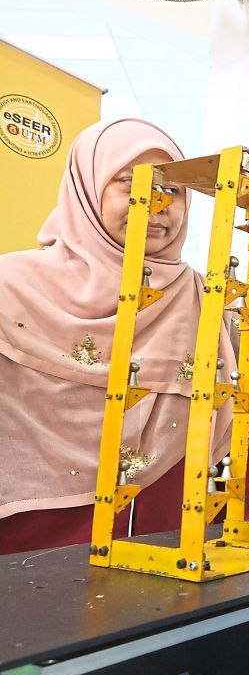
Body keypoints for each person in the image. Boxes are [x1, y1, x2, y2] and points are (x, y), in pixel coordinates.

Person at [0, 118, 236, 556]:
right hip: (24, 554)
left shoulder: (206, 301)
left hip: (166, 552)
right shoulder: (9, 291)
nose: (158, 202)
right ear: (86, 191)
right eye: (131, 183)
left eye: (177, 188)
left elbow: (233, 441)